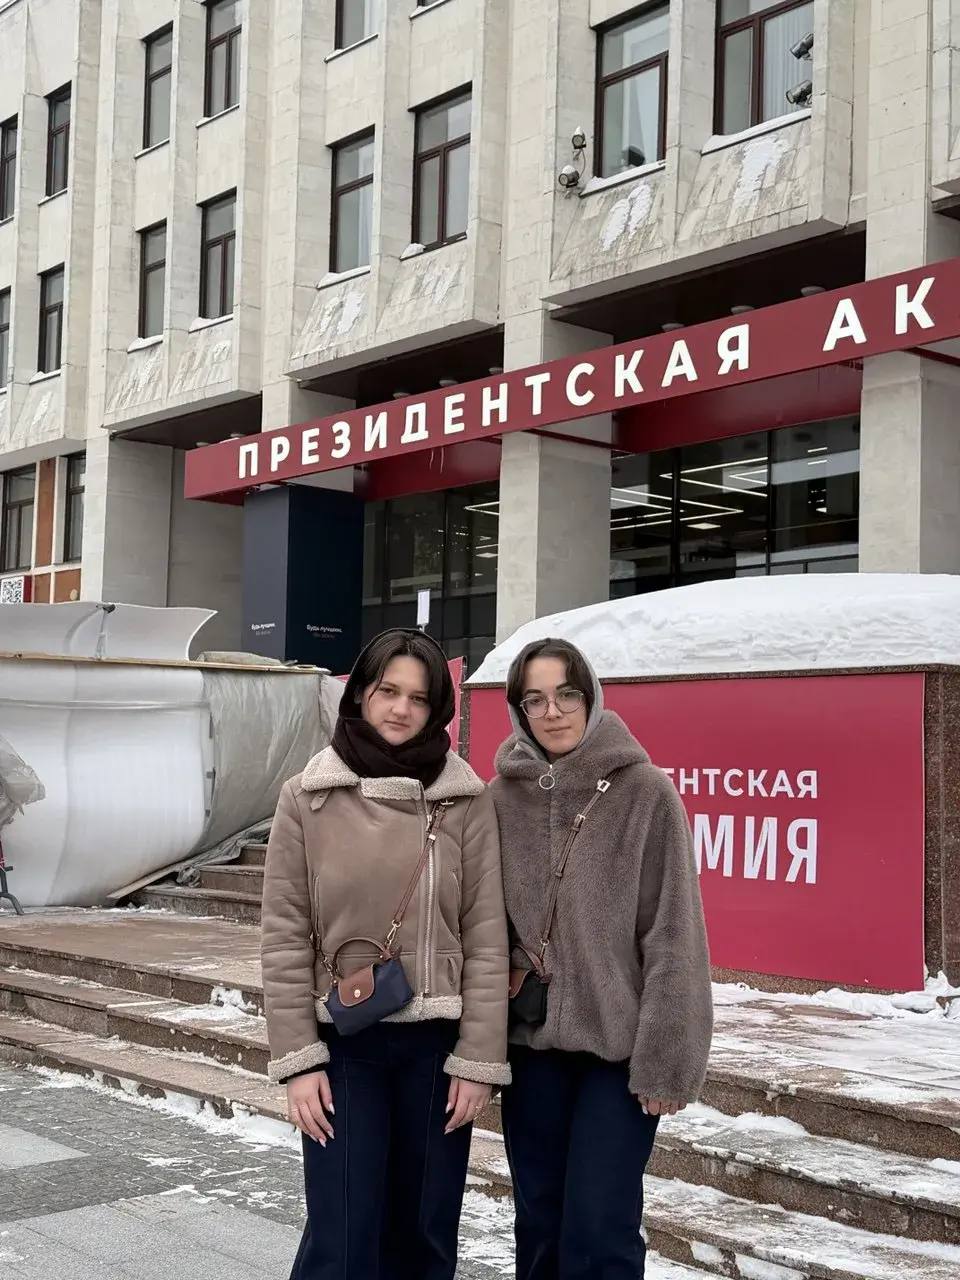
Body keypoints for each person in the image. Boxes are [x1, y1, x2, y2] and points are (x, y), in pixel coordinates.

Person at [261, 628, 510, 1280]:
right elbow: (285, 936)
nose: (401, 709)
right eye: (387, 691)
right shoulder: (307, 797)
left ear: (438, 709)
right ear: (360, 695)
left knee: (424, 1235)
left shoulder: (465, 799)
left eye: (419, 698)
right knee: (343, 1237)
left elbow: (487, 936)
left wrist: (478, 1059)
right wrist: (299, 1060)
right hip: (346, 1042)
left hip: (437, 1049)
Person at [489, 637, 713, 1280]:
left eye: (567, 694)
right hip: (530, 1046)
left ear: (590, 697)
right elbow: (479, 923)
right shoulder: (499, 798)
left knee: (599, 1230)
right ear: (518, 709)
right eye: (535, 699)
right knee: (538, 1223)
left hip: (617, 1054)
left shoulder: (646, 794)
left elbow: (674, 935)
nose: (552, 711)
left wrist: (667, 1061)